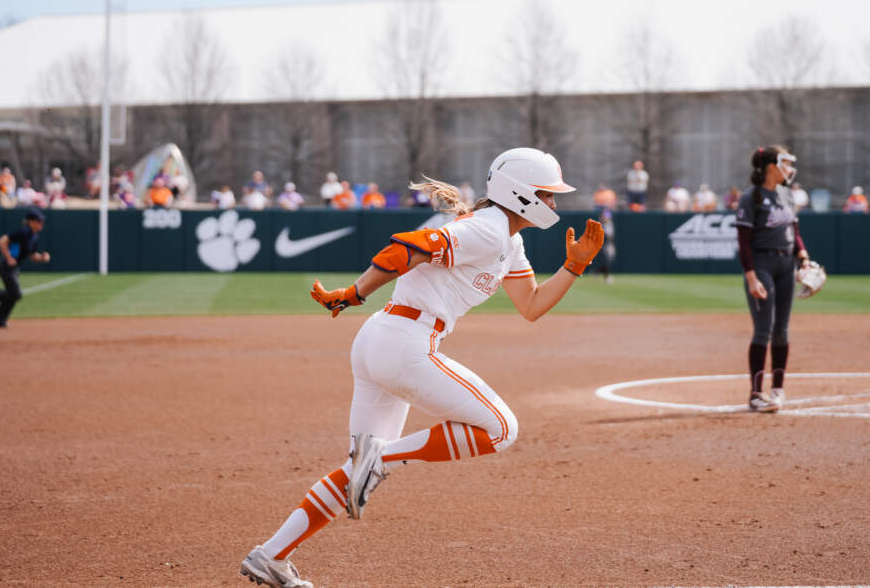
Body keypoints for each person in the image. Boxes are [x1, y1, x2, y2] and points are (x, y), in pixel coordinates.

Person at [239, 148, 604, 588]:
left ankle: (270, 555)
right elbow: (406, 248)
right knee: (501, 429)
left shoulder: (509, 240)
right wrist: (356, 293)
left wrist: (575, 265)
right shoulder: (488, 230)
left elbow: (532, 305)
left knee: (357, 471)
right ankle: (381, 456)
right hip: (404, 343)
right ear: (522, 193)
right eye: (548, 195)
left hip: (384, 340)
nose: (554, 205)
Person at [734, 145, 811, 413]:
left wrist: (803, 256)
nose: (789, 169)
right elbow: (743, 242)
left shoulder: (787, 196)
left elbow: (794, 230)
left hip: (785, 263)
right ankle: (756, 394)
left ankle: (777, 390)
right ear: (770, 166)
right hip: (762, 263)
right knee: (764, 329)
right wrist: (751, 277)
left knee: (782, 329)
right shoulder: (751, 197)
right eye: (785, 163)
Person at [0, 208, 50, 328]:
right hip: (6, 266)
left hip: (13, 267)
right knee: (15, 294)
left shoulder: (33, 236)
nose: (41, 223)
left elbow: (33, 256)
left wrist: (42, 258)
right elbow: (2, 241)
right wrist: (9, 257)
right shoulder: (24, 232)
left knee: (13, 295)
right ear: (31, 221)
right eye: (39, 221)